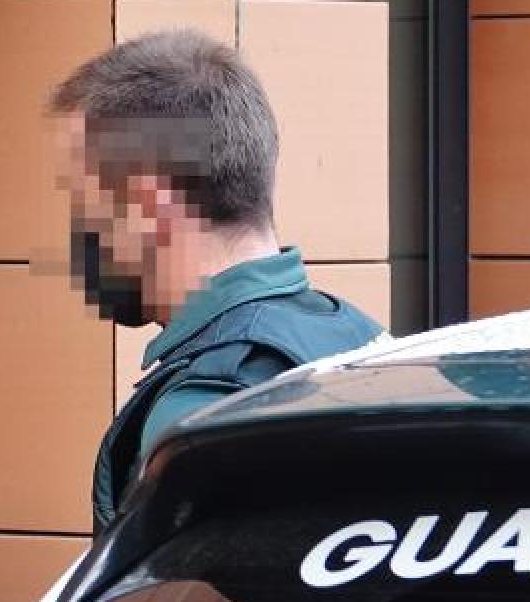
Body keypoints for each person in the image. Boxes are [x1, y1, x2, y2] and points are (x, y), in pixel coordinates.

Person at [47, 30, 385, 534]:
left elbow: (188, 591)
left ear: (148, 206)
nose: (79, 234)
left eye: (83, 204)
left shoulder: (202, 413)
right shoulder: (362, 339)